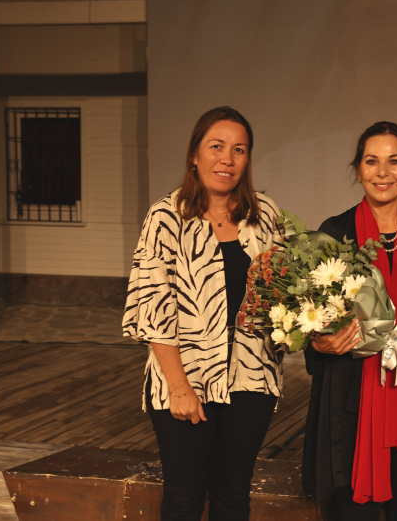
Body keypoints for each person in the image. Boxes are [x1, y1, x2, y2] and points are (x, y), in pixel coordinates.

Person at [122, 106, 284, 521]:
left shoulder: (266, 215)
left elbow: (286, 293)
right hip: (185, 378)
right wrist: (179, 387)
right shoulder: (166, 216)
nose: (227, 159)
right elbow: (152, 307)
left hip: (252, 379)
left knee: (234, 495)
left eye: (239, 150)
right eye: (216, 147)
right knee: (184, 497)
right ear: (195, 155)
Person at [302, 122, 397, 520]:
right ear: (358, 170)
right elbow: (315, 319)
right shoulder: (335, 232)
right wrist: (319, 342)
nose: (383, 172)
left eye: (394, 161)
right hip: (352, 396)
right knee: (353, 511)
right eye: (372, 161)